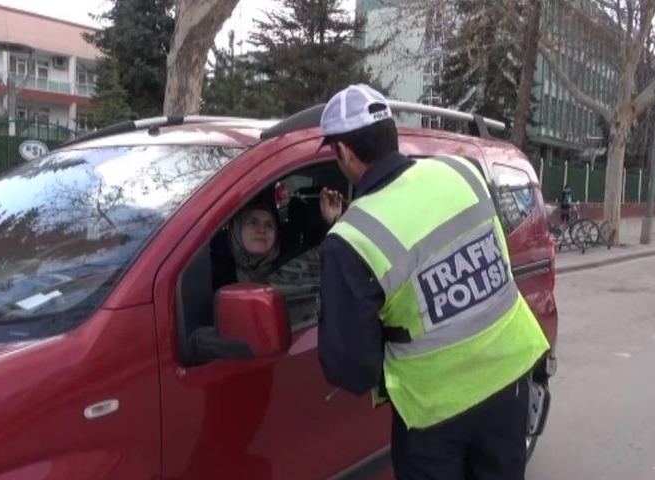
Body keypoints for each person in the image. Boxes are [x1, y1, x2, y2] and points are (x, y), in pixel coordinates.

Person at [316, 84, 550, 480]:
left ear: (344, 153)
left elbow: (352, 368)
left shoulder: (350, 240)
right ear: (392, 132)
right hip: (510, 379)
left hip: (435, 412)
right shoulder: (461, 171)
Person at [211, 200, 281, 291]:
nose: (262, 230)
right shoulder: (213, 270)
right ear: (237, 230)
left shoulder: (291, 267)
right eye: (253, 223)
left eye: (269, 225)